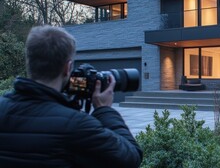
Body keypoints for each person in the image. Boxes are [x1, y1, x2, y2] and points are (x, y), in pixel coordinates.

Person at [0, 25, 142, 168]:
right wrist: (104, 109)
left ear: (29, 63)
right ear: (67, 68)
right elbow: (131, 158)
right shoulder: (77, 126)